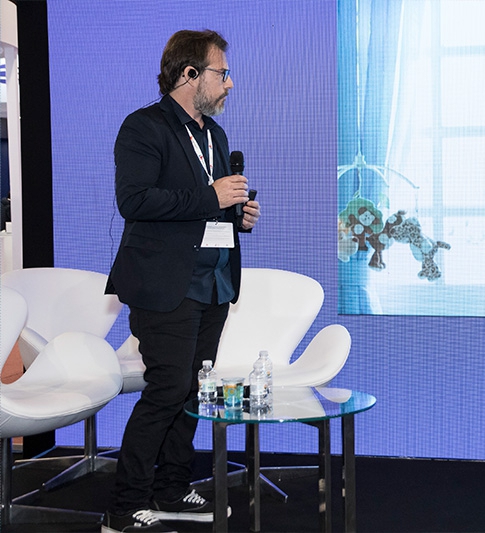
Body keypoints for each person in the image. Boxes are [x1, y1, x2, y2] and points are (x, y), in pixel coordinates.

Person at [103, 29, 260, 533]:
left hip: (213, 282)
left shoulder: (215, 136)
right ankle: (122, 508)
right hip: (164, 284)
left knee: (193, 391)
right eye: (222, 73)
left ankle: (170, 488)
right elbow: (135, 201)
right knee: (167, 390)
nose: (229, 84)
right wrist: (212, 197)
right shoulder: (144, 127)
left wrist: (237, 216)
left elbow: (207, 209)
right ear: (190, 74)